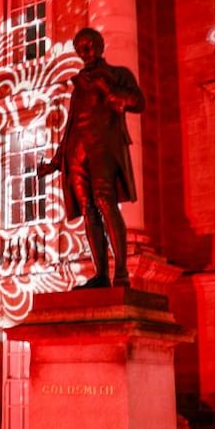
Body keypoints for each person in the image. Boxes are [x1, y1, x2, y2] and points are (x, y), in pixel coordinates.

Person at [38, 27, 144, 288]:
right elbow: (71, 125)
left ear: (100, 45)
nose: (85, 52)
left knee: (106, 202)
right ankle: (101, 275)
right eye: (80, 48)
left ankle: (121, 272)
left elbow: (137, 102)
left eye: (89, 45)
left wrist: (107, 91)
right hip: (77, 153)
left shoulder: (118, 75)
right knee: (88, 211)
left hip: (103, 149)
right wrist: (54, 162)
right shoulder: (78, 86)